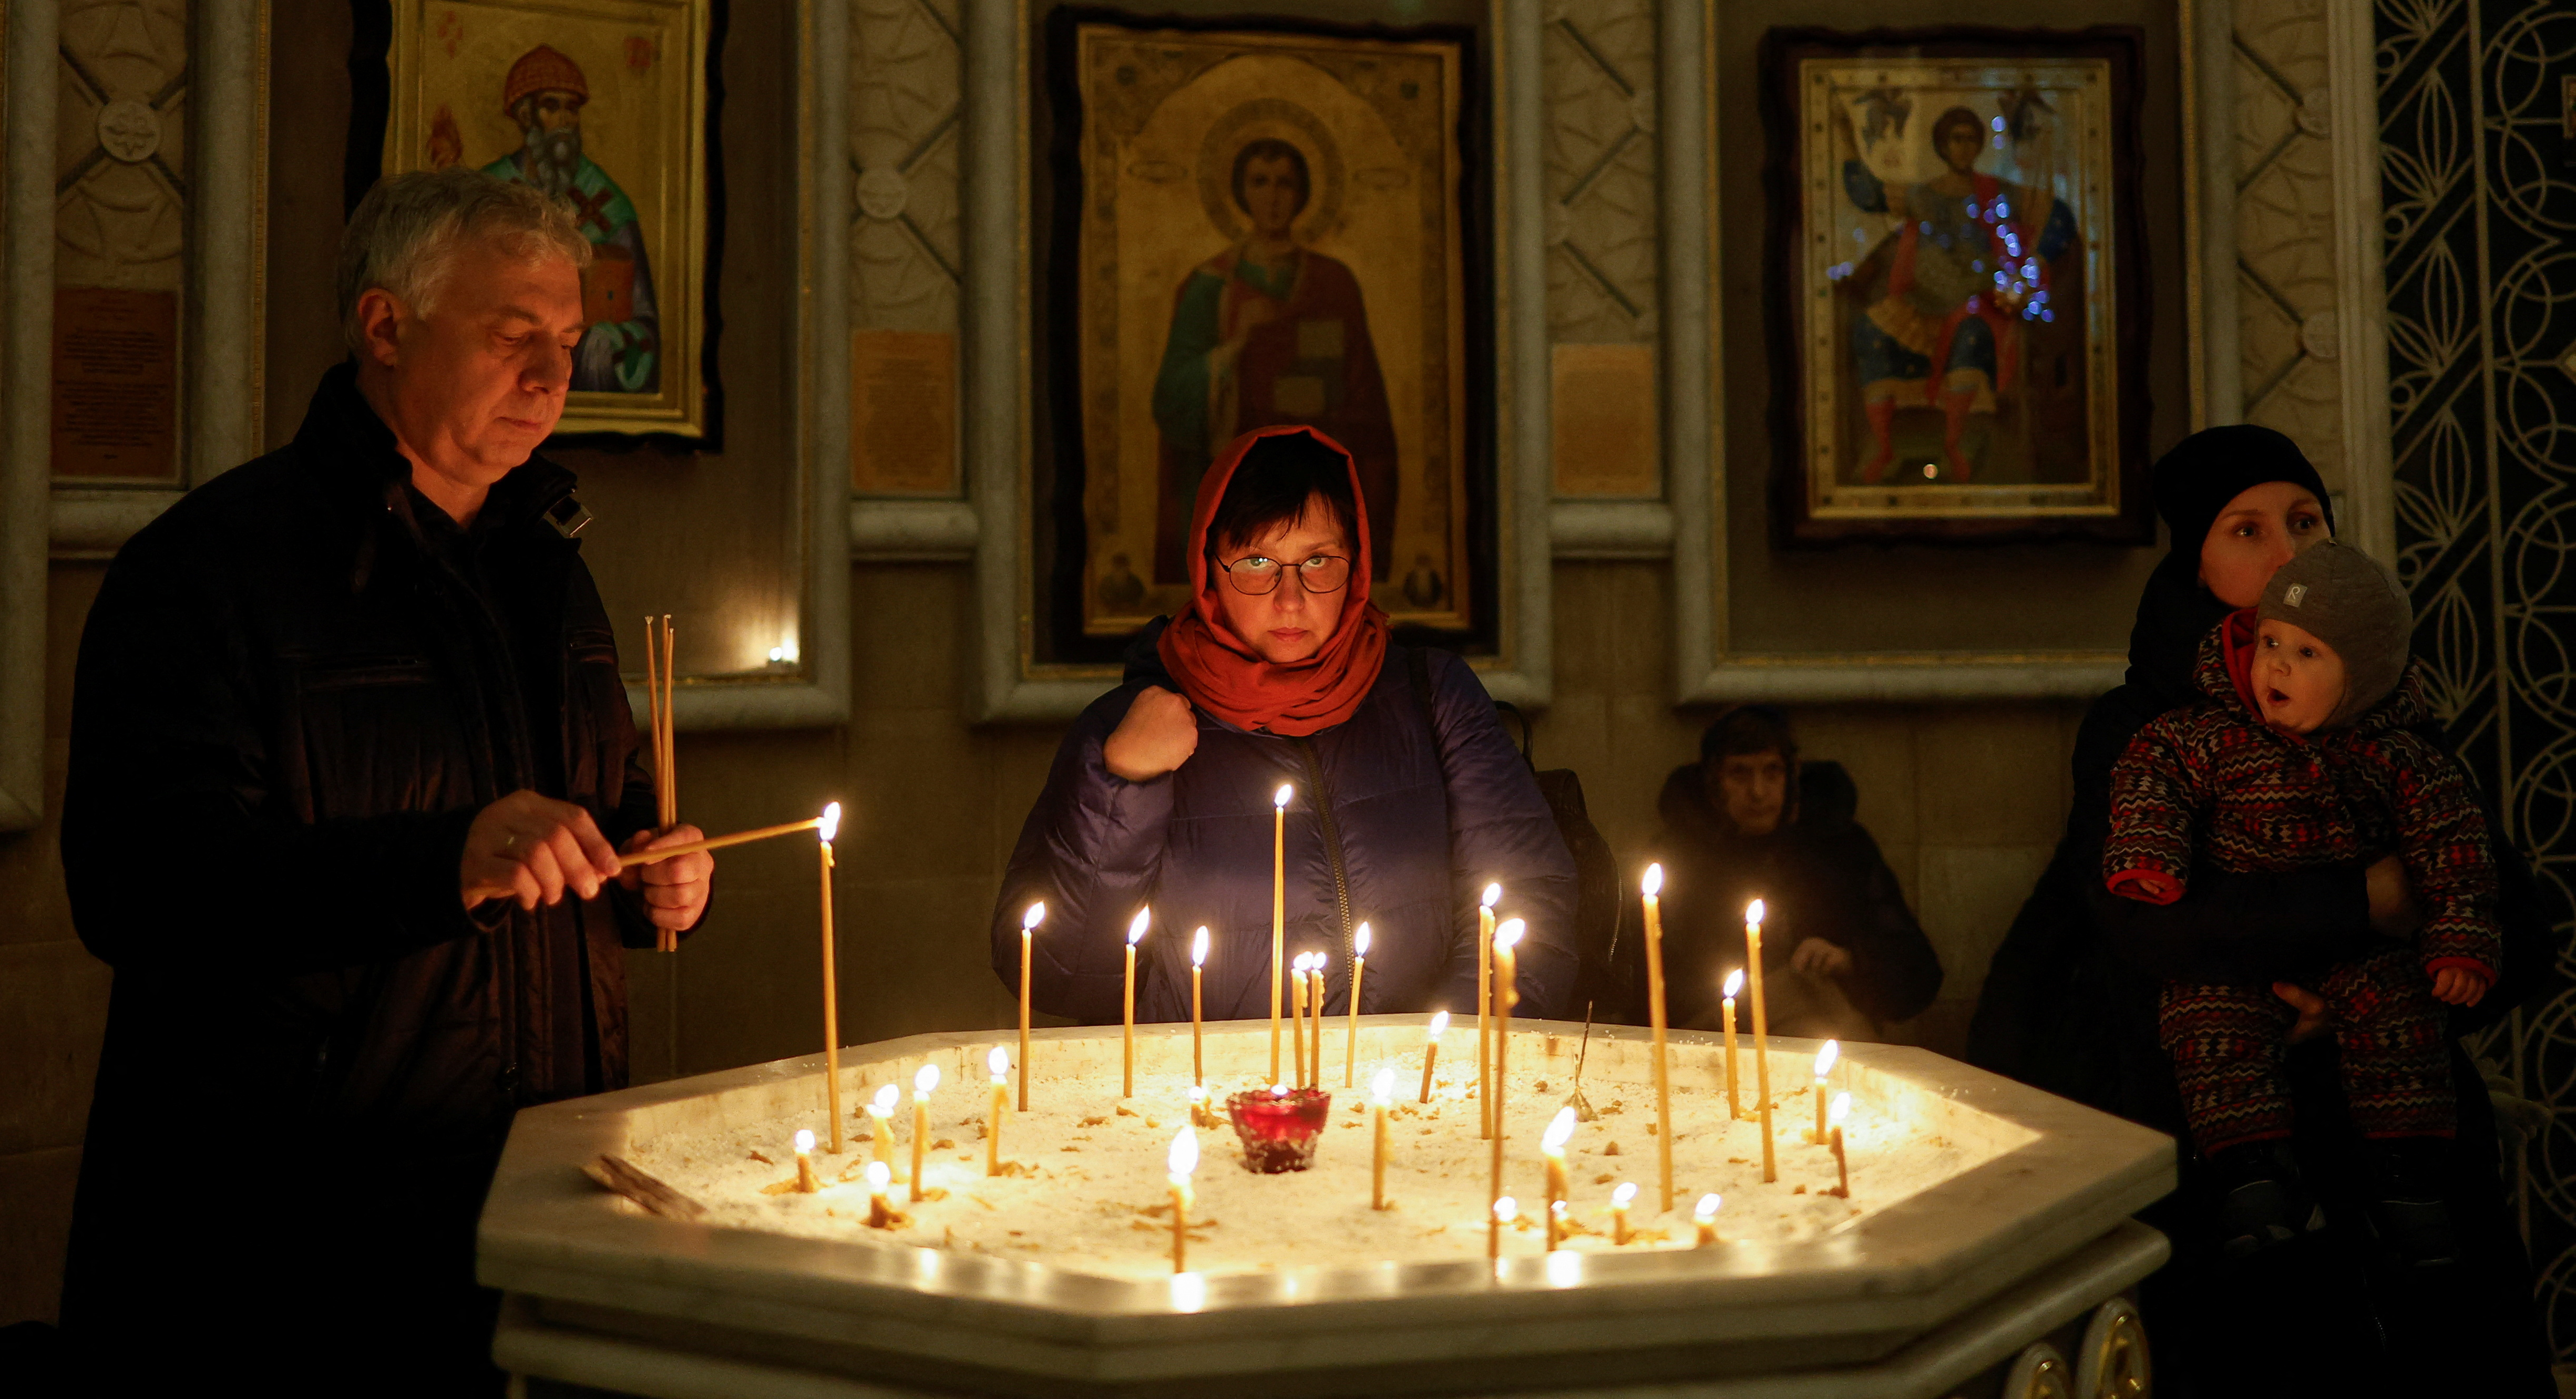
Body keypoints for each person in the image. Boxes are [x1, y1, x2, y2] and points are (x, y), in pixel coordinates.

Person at [58, 169, 715, 1394]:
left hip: (532, 1182)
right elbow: (140, 887)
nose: (551, 376)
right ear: (385, 324)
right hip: (294, 1232)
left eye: (568, 343)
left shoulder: (546, 563)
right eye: (514, 336)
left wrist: (650, 872)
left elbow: (593, 808)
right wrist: (442, 861)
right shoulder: (214, 568)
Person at [1967, 425, 2555, 1397]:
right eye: (2247, 529)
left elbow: (2515, 928)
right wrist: (2358, 901)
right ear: (2195, 563)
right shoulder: (2140, 726)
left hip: (2400, 1147)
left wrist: (2380, 996)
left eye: (2304, 520)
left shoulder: (2393, 716)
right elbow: (2145, 921)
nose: (2287, 553)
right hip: (2220, 1141)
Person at [993, 425, 1575, 1033]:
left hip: (1413, 1106)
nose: (1290, 598)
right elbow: (1059, 978)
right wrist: (1123, 787)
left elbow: (1530, 911)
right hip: (1201, 1106)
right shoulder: (1128, 729)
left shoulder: (1435, 699)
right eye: (1256, 562)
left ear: (1357, 566)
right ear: (1209, 570)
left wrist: (1436, 1061)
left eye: (1319, 560)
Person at [2105, 540, 2500, 1267]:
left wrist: (2461, 935)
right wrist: (2148, 856)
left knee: (2402, 1018)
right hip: (2240, 949)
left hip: (2366, 955)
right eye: (2271, 643)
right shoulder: (2210, 733)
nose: (2276, 664)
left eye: (2308, 653)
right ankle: (2253, 1176)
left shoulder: (2402, 756)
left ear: (2366, 678)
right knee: (2207, 1020)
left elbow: (2455, 845)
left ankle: (2409, 1182)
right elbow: (2152, 774)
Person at [1151, 139, 1399, 585]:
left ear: (1303, 193)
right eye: (1259, 182)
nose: (1273, 195)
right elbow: (1170, 399)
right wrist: (1234, 348)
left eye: (1285, 182)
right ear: (1240, 192)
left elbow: (1366, 401)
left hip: (1319, 489)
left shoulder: (1333, 283)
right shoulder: (1210, 286)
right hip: (1241, 492)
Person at [1648, 707, 1941, 1040]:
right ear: (1715, 783)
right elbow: (1650, 973)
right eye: (1740, 774)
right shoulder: (1680, 857)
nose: (1758, 792)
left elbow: (1918, 971)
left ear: (1792, 776)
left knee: (1815, 1007)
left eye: (1772, 772)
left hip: (1826, 1025)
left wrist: (1847, 960)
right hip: (1713, 1030)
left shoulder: (1838, 847)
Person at [1832, 96, 2080, 484]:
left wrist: (2030, 271)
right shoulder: (1922, 194)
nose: (1963, 146)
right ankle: (1883, 448)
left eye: (1969, 138)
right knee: (1870, 332)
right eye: (1955, 139)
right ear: (1942, 146)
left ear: (1979, 145)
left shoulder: (1998, 192)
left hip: (1979, 305)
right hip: (1922, 305)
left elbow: (2059, 216)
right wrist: (1845, 135)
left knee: (1971, 337)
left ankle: (1955, 446)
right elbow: (1865, 192)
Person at [479, 44, 659, 394]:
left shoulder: (608, 202)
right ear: (524, 116)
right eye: (551, 106)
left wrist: (606, 341)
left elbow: (645, 321)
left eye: (572, 109)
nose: (565, 120)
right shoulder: (484, 193)